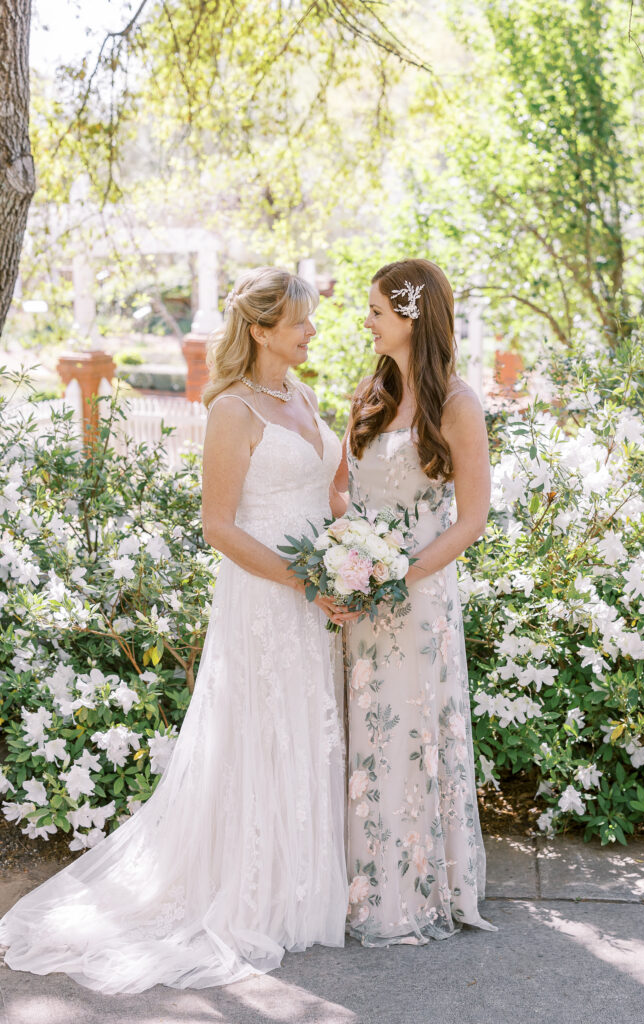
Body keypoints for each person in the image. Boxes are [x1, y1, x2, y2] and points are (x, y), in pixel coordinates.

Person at [0, 267, 353, 993]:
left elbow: (329, 493)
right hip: (266, 593)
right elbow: (219, 526)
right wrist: (308, 581)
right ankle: (245, 887)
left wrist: (357, 560)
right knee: (260, 730)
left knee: (302, 724)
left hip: (318, 594)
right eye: (298, 323)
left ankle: (298, 883)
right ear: (260, 330)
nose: (311, 332)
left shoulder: (304, 395)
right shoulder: (232, 409)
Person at [337, 258, 496, 945]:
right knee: (357, 736)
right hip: (357, 593)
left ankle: (411, 888)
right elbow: (341, 487)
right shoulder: (368, 393)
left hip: (418, 601)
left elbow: (471, 519)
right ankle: (352, 882)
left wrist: (399, 575)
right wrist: (346, 562)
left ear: (409, 317)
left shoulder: (457, 404)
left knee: (407, 734)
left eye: (375, 310)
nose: (366, 321)